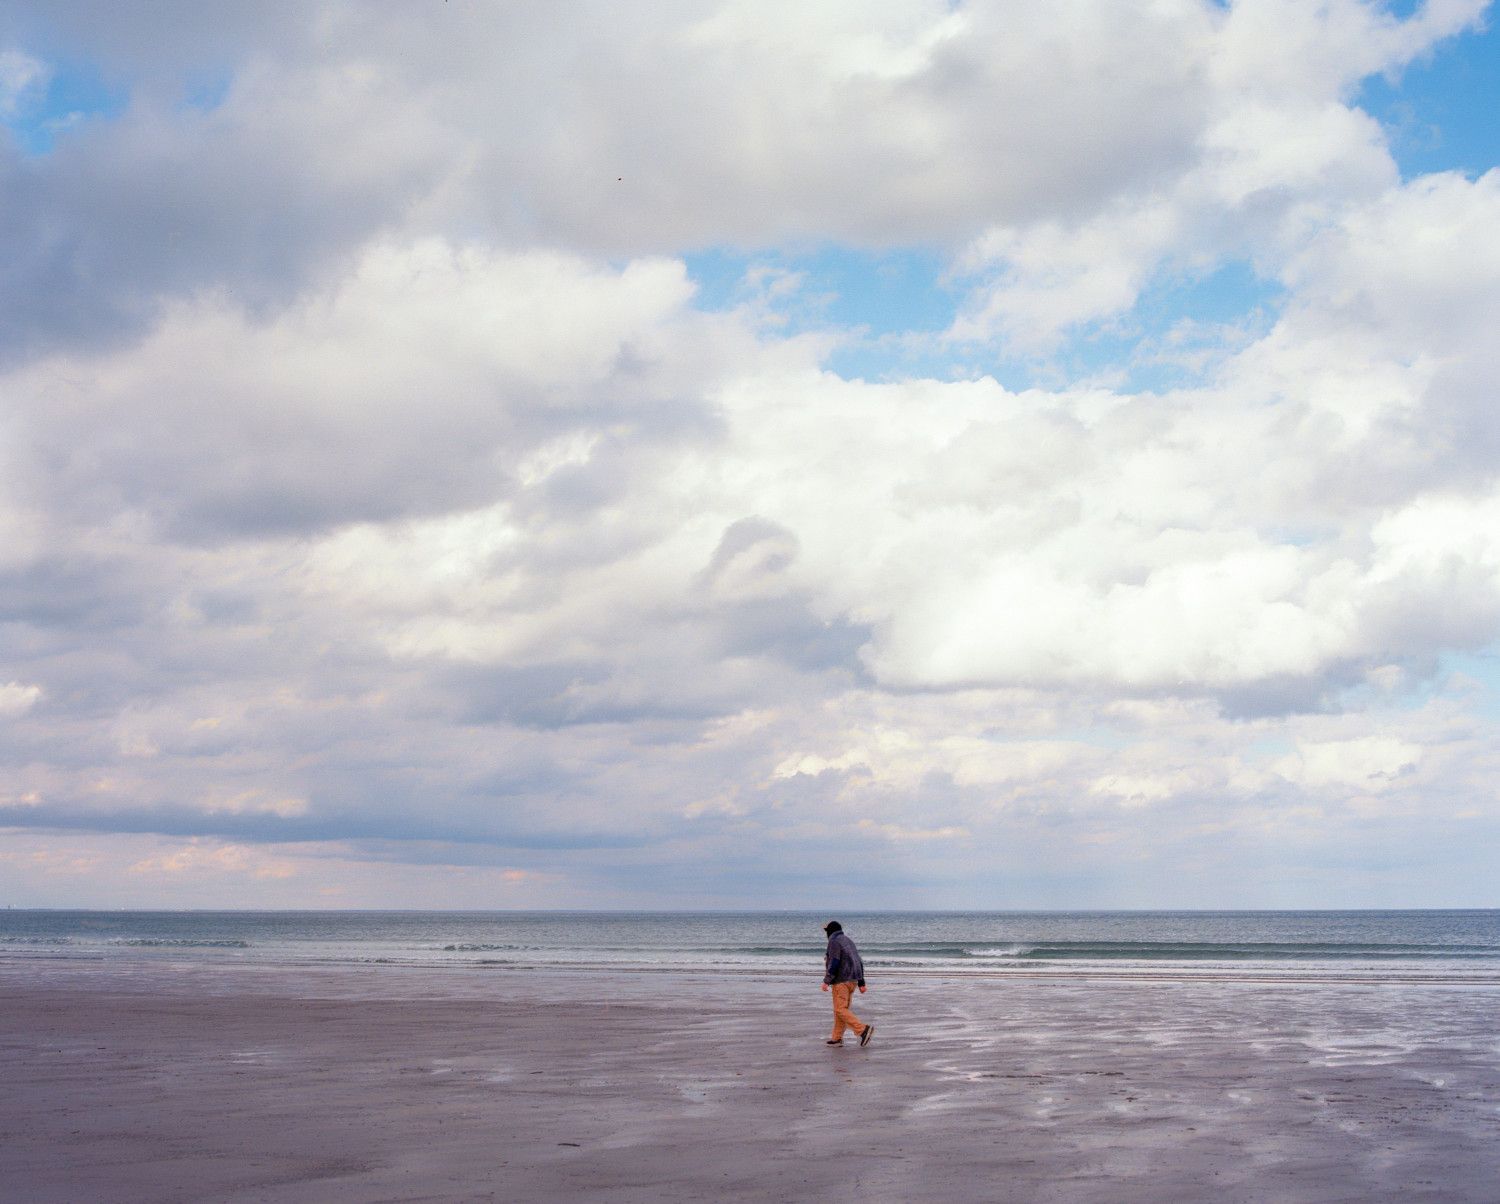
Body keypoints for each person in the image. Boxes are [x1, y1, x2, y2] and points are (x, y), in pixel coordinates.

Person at [821, 920, 873, 1046]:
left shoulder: (834, 941)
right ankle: (837, 1038)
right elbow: (858, 961)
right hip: (852, 981)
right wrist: (861, 982)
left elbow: (834, 961)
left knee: (840, 1009)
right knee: (840, 1010)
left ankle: (863, 1030)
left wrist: (827, 981)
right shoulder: (848, 941)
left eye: (827, 931)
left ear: (830, 931)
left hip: (841, 981)